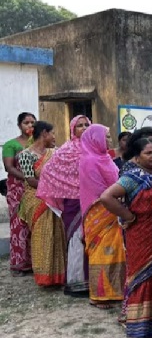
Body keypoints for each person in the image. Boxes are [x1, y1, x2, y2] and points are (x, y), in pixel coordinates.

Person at [100, 138, 152, 338]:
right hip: (140, 233)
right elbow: (106, 197)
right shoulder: (133, 177)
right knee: (141, 276)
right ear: (137, 158)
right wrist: (128, 216)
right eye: (149, 153)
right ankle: (139, 326)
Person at [37, 115, 91, 296]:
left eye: (87, 125)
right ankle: (77, 283)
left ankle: (96, 281)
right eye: (80, 126)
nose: (83, 128)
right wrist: (68, 188)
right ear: (72, 129)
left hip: (94, 201)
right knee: (77, 241)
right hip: (74, 203)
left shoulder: (94, 147)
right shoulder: (66, 150)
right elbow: (48, 171)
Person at [80, 124, 127, 309]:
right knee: (101, 250)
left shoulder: (106, 157)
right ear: (95, 139)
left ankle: (114, 290)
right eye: (106, 137)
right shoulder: (89, 161)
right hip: (100, 210)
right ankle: (99, 295)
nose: (109, 140)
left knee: (115, 249)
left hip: (112, 206)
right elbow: (98, 189)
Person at [18, 121, 67, 287]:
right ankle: (44, 277)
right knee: (42, 237)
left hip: (54, 198)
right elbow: (30, 180)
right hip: (37, 199)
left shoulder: (56, 152)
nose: (54, 137)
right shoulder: (26, 155)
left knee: (58, 236)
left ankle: (59, 275)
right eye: (52, 133)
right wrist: (52, 187)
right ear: (44, 133)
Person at [3, 112, 35, 275]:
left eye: (32, 122)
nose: (30, 126)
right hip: (18, 189)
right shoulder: (11, 145)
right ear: (19, 125)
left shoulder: (38, 144)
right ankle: (20, 264)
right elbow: (10, 168)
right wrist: (28, 178)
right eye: (26, 123)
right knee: (19, 224)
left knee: (34, 223)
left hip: (35, 189)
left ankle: (36, 262)